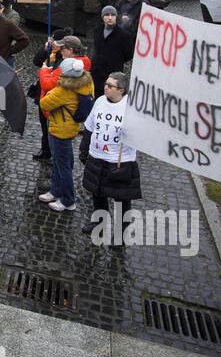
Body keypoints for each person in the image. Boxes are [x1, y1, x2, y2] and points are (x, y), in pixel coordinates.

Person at [78, 72, 140, 248]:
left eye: (110, 86)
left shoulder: (131, 108)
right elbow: (89, 127)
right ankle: (99, 223)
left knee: (121, 200)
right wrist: (84, 149)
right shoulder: (99, 101)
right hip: (97, 157)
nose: (105, 87)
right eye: (106, 83)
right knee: (97, 193)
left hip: (120, 161)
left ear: (121, 90)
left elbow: (141, 136)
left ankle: (120, 237)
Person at [36, 57, 94, 212]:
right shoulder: (87, 83)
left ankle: (68, 200)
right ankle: (55, 191)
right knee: (61, 162)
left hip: (60, 129)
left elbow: (44, 103)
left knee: (63, 166)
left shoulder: (64, 90)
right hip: (69, 127)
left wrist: (50, 79)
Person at [30, 32, 91, 161]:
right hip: (60, 110)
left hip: (59, 113)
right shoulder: (75, 62)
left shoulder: (69, 66)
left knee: (61, 160)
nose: (60, 50)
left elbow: (48, 85)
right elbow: (37, 60)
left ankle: (51, 159)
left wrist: (45, 71)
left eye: (62, 48)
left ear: (70, 50)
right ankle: (47, 152)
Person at [89, 5, 131, 98]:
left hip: (113, 73)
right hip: (97, 72)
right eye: (107, 15)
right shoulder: (97, 31)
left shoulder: (123, 35)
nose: (110, 17)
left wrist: (115, 60)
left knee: (110, 98)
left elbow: (128, 54)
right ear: (102, 17)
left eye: (113, 15)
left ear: (116, 17)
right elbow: (96, 48)